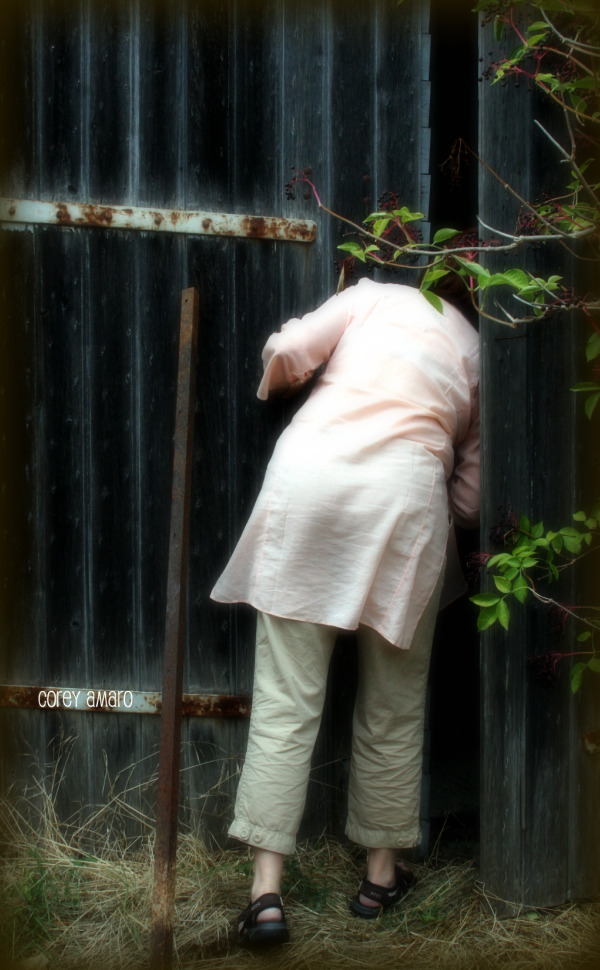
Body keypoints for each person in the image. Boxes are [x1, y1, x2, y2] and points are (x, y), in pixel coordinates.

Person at [210, 275, 480, 946]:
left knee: (287, 698)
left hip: (313, 476)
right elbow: (472, 503)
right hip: (405, 497)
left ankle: (266, 892)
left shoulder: (370, 296)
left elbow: (293, 348)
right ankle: (379, 877)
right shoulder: (478, 350)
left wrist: (278, 364)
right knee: (392, 702)